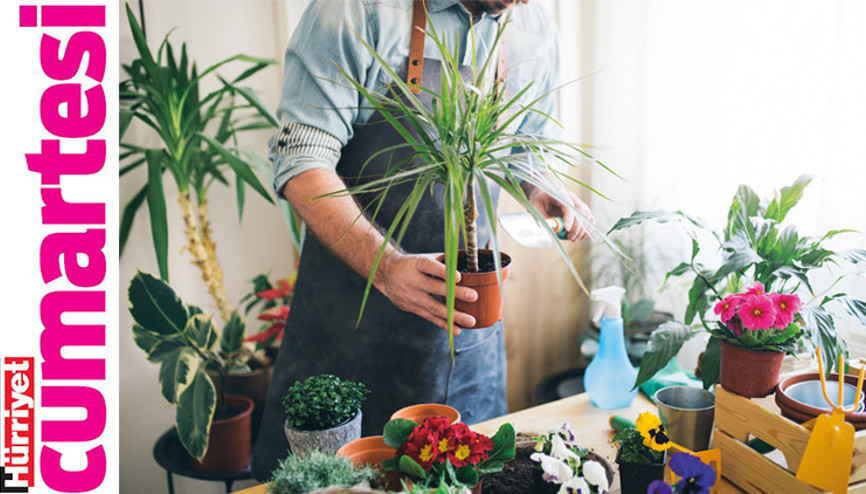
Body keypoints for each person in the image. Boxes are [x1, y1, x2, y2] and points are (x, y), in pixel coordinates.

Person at [252, 0, 594, 479]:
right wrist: (388, 267)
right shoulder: (357, 10)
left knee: (463, 482)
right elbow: (302, 164)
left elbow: (525, 148)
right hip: (353, 334)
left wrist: (545, 189)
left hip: (468, 344)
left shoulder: (533, 26)